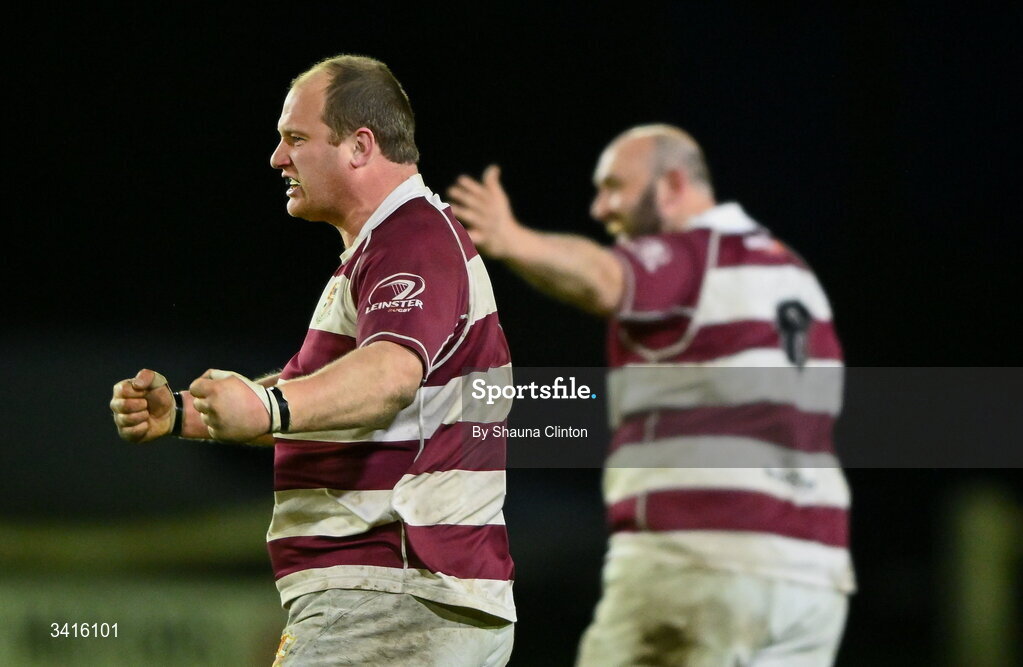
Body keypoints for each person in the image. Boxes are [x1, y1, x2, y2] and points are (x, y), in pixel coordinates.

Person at [110, 55, 516, 666]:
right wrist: (189, 414)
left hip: (391, 591)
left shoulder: (412, 238)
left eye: (295, 139)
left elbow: (388, 377)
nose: (278, 159)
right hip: (406, 598)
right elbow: (331, 391)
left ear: (359, 146)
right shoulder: (392, 245)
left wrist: (267, 406)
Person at [447, 124, 855, 666]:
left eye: (614, 186)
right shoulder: (796, 277)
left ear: (672, 185)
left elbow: (604, 278)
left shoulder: (694, 255)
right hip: (814, 577)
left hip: (703, 561)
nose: (600, 208)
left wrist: (511, 237)